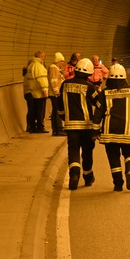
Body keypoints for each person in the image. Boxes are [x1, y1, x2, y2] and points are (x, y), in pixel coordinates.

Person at [92, 64, 130, 191]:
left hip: (110, 132)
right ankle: (129, 171)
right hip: (128, 131)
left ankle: (118, 183)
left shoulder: (104, 93)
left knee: (113, 158)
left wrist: (95, 131)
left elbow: (98, 113)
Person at [58, 58, 99, 190]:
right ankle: (88, 177)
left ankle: (74, 176)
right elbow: (97, 103)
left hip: (71, 126)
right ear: (89, 74)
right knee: (87, 152)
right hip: (86, 126)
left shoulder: (65, 84)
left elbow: (59, 104)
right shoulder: (89, 87)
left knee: (73, 150)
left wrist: (63, 116)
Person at [24, 51, 49, 133]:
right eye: (44, 56)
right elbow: (41, 78)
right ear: (41, 57)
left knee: (32, 110)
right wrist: (44, 90)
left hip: (31, 91)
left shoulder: (31, 65)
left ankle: (31, 127)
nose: (44, 58)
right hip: (38, 92)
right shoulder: (38, 66)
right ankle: (39, 127)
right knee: (40, 110)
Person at [48, 52, 66, 136]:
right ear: (57, 61)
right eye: (61, 61)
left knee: (55, 111)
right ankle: (58, 129)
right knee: (57, 111)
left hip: (56, 93)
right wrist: (56, 92)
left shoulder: (57, 68)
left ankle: (56, 130)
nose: (63, 63)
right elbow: (53, 80)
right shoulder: (53, 68)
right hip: (55, 93)